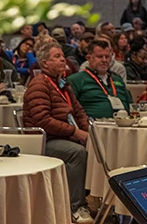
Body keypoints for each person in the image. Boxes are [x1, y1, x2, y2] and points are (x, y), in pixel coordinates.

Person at [23, 42, 94, 223]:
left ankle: (98, 197)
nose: (63, 59)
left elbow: (79, 111)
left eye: (63, 56)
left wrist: (86, 131)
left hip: (63, 135)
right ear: (44, 64)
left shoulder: (61, 83)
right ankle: (76, 207)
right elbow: (43, 121)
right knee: (77, 153)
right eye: (57, 57)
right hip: (43, 140)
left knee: (97, 144)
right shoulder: (39, 85)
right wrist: (76, 133)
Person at [67, 39, 132, 120]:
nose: (104, 60)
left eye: (107, 57)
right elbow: (70, 111)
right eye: (100, 57)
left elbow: (130, 105)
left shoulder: (117, 79)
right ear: (88, 58)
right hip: (94, 127)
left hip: (123, 125)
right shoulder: (76, 80)